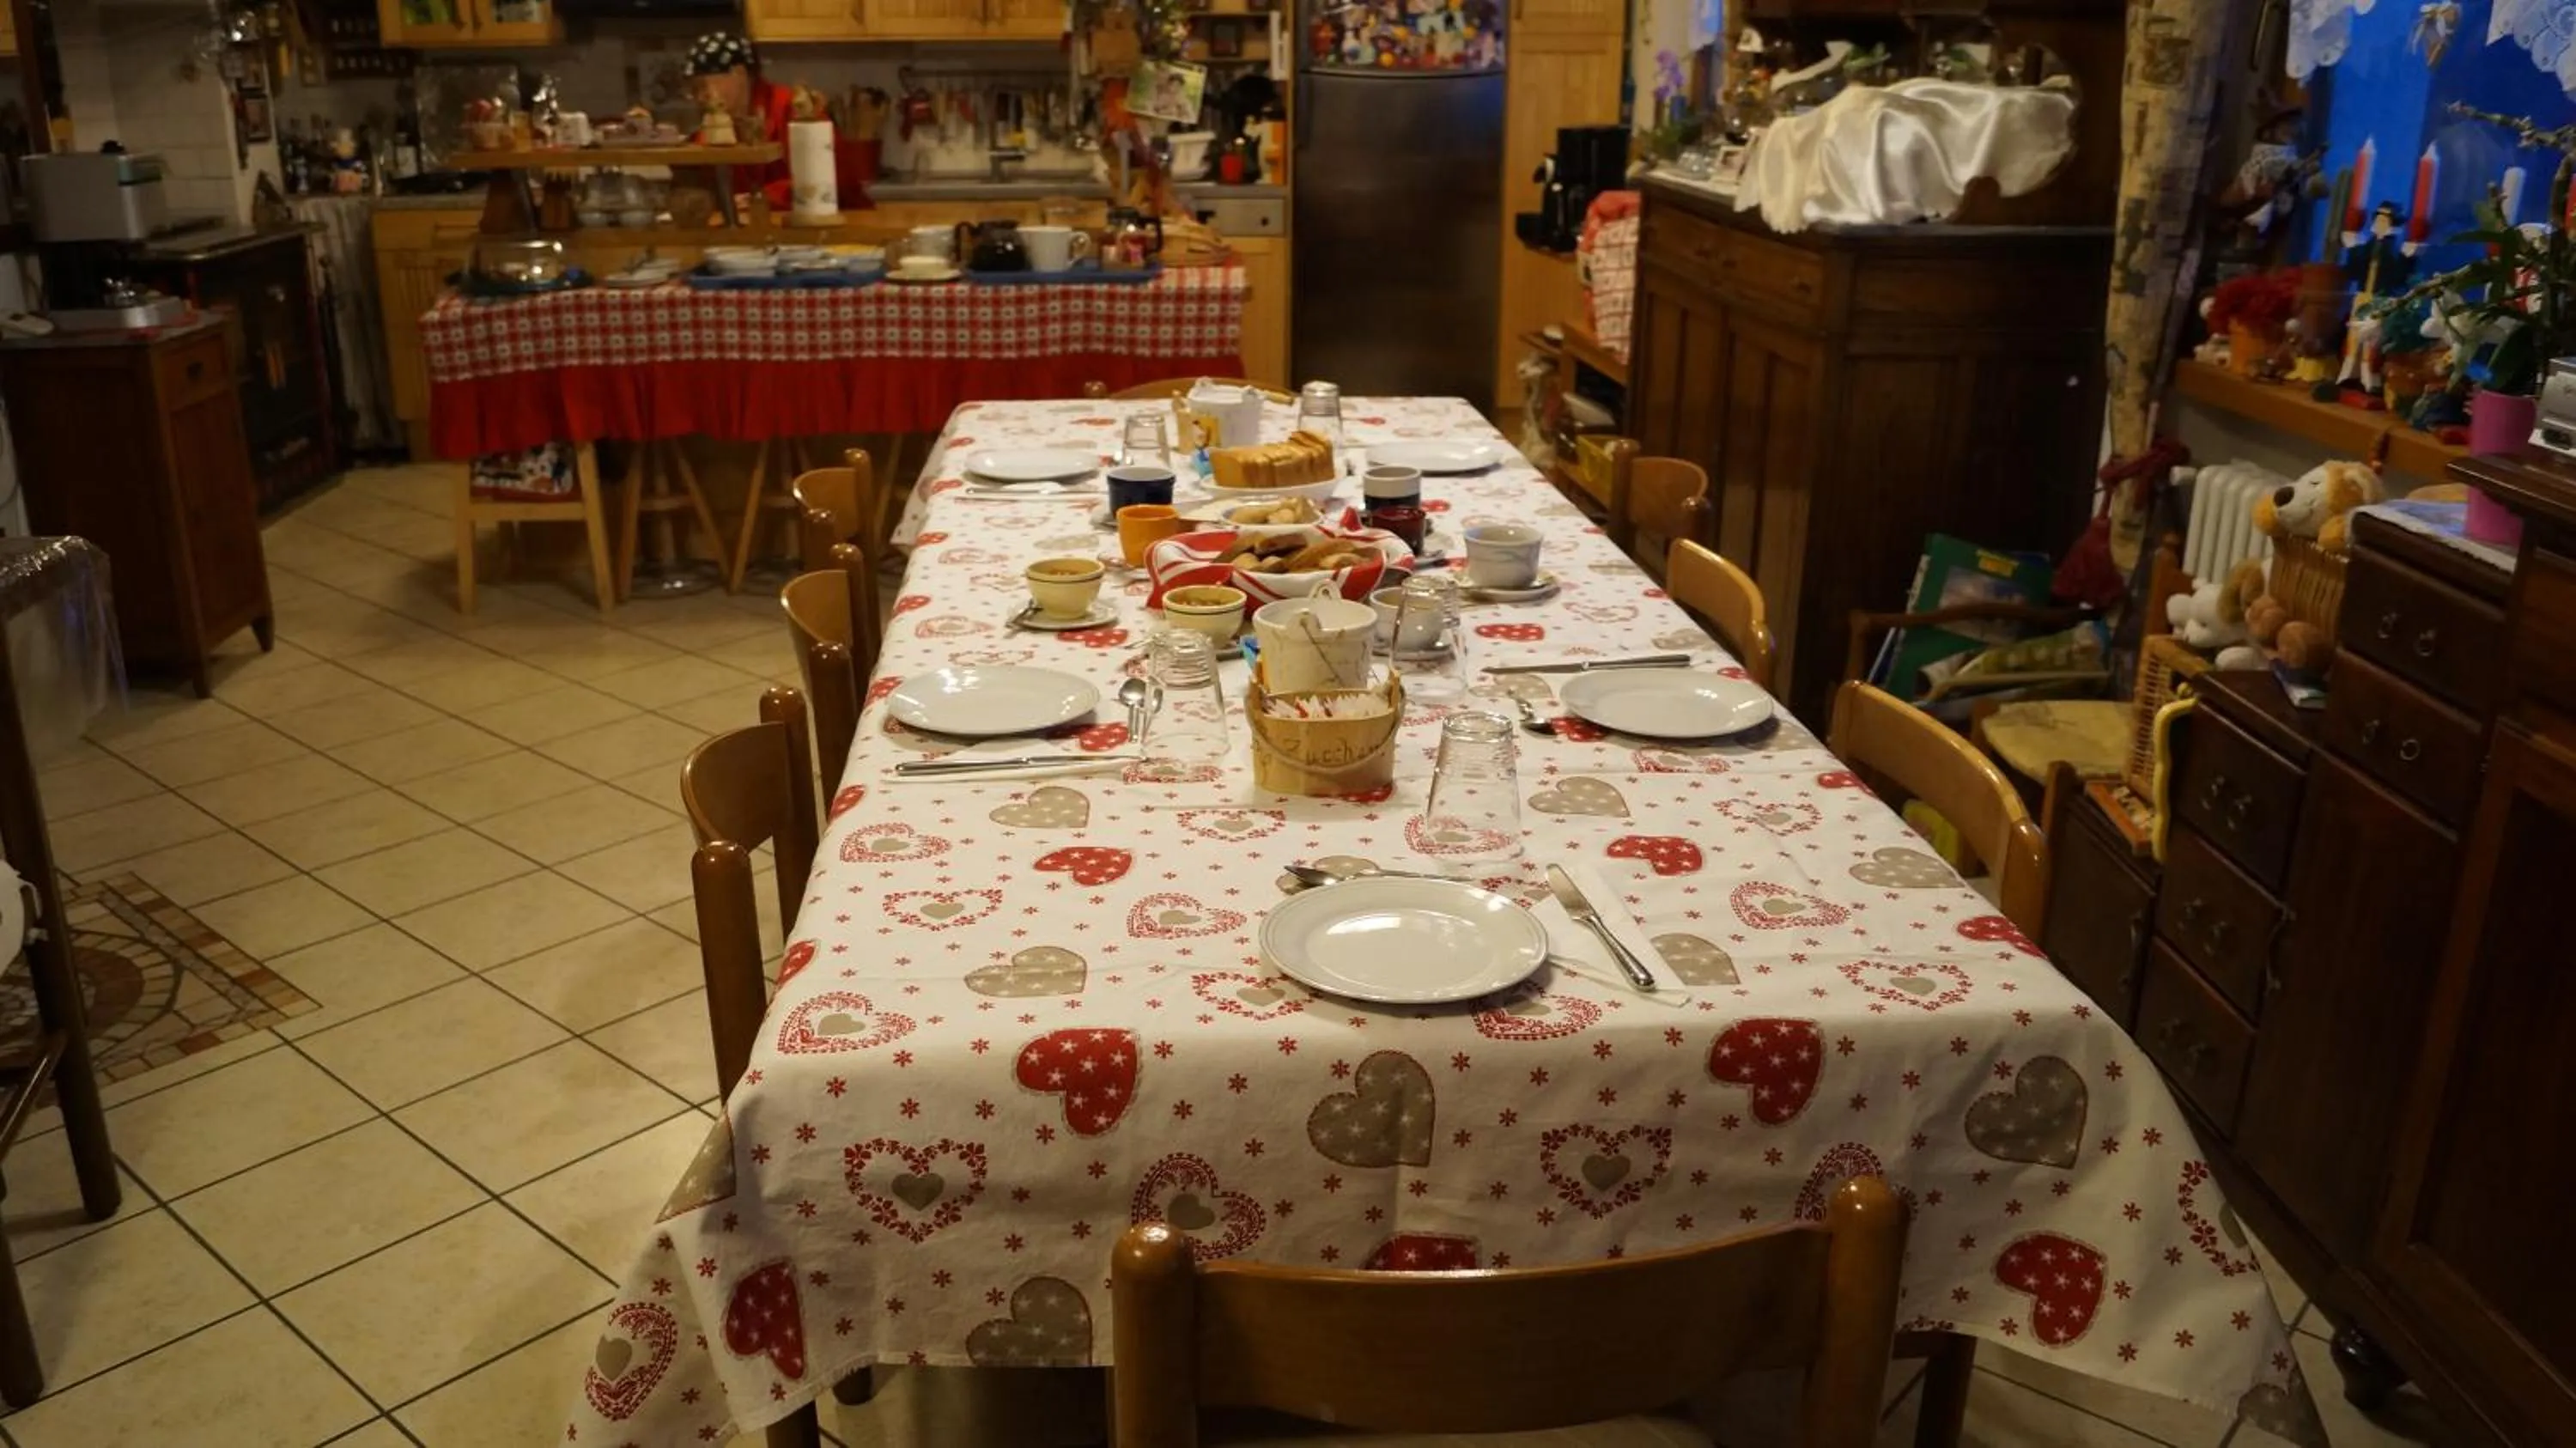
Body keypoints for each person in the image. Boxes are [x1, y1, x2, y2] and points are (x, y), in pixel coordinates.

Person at [683, 31, 794, 213]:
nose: (699, 97)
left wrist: (765, 197)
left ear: (739, 74)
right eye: (693, 89)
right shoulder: (712, 126)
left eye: (703, 85)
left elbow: (824, 180)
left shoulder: (790, 108)